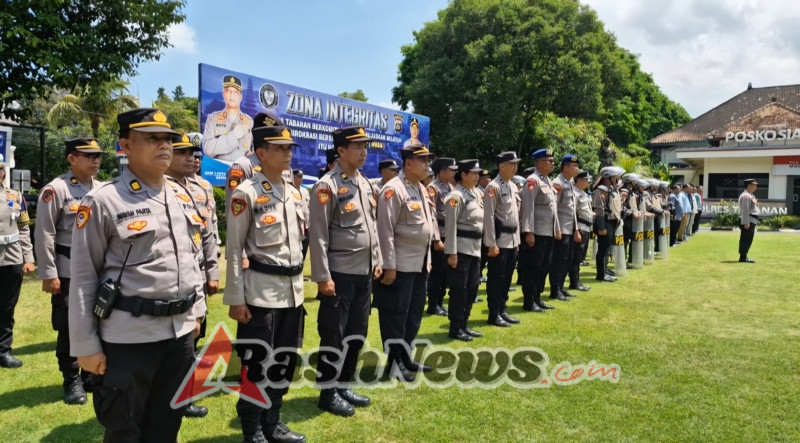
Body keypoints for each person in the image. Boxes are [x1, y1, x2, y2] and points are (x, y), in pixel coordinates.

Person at [69, 108, 206, 441]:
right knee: (125, 429)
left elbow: (192, 257)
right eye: (152, 139)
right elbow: (84, 276)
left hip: (179, 335)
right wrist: (86, 345)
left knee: (166, 425)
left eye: (168, 140)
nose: (164, 146)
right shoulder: (103, 201)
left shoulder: (181, 195)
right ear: (125, 146)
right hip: (129, 338)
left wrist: (197, 311)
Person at [224, 124, 307, 442]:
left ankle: (273, 423)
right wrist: (236, 298)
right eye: (280, 148)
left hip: (292, 294)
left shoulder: (295, 192)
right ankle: (253, 428)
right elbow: (233, 249)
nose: (288, 152)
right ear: (261, 153)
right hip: (259, 293)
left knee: (284, 362)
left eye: (290, 148)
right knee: (256, 364)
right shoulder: (246, 194)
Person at [309, 126, 382, 417]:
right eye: (358, 146)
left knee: (356, 333)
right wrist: (323, 276)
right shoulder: (326, 186)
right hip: (338, 274)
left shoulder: (363, 183)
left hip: (363, 273)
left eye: (366, 146)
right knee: (333, 335)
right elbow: (318, 235)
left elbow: (371, 226)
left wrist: (376, 258)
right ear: (341, 151)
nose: (364, 151)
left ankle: (343, 385)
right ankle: (328, 393)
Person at [34, 137, 102, 402]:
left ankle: (90, 374)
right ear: (71, 158)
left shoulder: (102, 188)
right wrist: (49, 273)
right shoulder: (56, 190)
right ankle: (71, 379)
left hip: (98, 269)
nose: (96, 160)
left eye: (97, 155)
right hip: (69, 269)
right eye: (89, 155)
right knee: (69, 325)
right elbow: (44, 234)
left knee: (97, 320)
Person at [166, 133, 221, 419]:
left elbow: (209, 232)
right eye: (183, 152)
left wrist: (212, 270)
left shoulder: (201, 187)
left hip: (197, 273)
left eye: (193, 152)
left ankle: (183, 394)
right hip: (170, 278)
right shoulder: (161, 187)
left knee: (194, 333)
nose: (191, 157)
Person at [374, 144, 436, 382]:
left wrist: (427, 261)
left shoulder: (420, 188)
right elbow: (385, 231)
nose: (427, 165)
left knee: (413, 313)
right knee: (395, 315)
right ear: (409, 162)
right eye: (423, 160)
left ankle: (406, 355)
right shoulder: (393, 189)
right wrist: (388, 265)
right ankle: (394, 363)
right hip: (399, 266)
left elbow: (426, 229)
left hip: (419, 264)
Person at [0, 160, 36, 369]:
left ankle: (4, 351)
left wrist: (28, 257)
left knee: (6, 308)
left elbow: (23, 228)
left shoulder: (15, 196)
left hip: (12, 258)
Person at [444, 159, 484, 341]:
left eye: (478, 173)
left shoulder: (475, 194)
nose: (477, 176)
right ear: (463, 174)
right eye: (473, 173)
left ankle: (465, 324)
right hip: (461, 250)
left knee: (472, 289)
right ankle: (455, 327)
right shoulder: (456, 197)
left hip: (475, 249)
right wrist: (452, 253)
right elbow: (450, 227)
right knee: (459, 290)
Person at [483, 152, 521, 327]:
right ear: (501, 166)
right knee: (496, 278)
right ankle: (494, 313)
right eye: (511, 164)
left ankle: (502, 309)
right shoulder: (493, 187)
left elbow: (515, 215)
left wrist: (518, 240)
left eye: (516, 164)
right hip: (499, 241)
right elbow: (488, 217)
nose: (515, 167)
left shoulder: (512, 186)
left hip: (512, 240)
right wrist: (491, 244)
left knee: (507, 278)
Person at [519, 149, 560, 311]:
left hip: (548, 232)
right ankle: (529, 301)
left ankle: (537, 297)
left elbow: (553, 209)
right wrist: (529, 231)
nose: (552, 164)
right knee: (533, 268)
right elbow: (528, 208)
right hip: (536, 233)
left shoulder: (547, 181)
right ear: (540, 163)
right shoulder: (532, 181)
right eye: (549, 161)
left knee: (544, 267)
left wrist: (556, 229)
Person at [425, 158, 457, 316]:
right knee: (437, 272)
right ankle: (433, 304)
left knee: (445, 273)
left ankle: (440, 302)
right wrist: (436, 239)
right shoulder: (433, 188)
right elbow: (432, 216)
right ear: (442, 171)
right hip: (440, 235)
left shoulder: (450, 187)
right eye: (451, 169)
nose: (454, 172)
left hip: (449, 234)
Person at [549, 154, 582, 301]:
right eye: (574, 165)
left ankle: (561, 287)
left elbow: (572, 209)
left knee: (567, 260)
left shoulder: (569, 183)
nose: (577, 168)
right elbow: (554, 208)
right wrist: (557, 229)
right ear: (565, 167)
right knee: (558, 260)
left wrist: (576, 229)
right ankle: (555, 290)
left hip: (569, 229)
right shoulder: (558, 183)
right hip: (561, 230)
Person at [203, 75, 254, 161]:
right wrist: (234, 135)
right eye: (228, 91)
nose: (232, 95)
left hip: (241, 171)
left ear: (240, 96)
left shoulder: (249, 121)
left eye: (235, 92)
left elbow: (253, 150)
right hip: (218, 171)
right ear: (223, 93)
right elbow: (208, 149)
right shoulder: (213, 118)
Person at [592, 166, 625, 282]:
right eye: (615, 176)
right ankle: (601, 274)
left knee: (606, 249)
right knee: (603, 249)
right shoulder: (601, 190)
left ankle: (604, 271)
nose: (617, 179)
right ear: (608, 177)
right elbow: (599, 210)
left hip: (611, 221)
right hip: (604, 221)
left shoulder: (611, 189)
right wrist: (601, 227)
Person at [569, 170, 593, 291]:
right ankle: (574, 282)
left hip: (586, 227)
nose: (588, 181)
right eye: (586, 179)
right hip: (580, 227)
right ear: (580, 180)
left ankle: (576, 280)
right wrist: (576, 230)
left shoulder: (583, 193)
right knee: (576, 256)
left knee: (580, 256)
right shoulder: (575, 193)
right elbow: (573, 213)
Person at [738, 179, 759, 263]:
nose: (755, 186)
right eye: (754, 185)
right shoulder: (746, 196)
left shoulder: (750, 195)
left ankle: (744, 256)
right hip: (748, 220)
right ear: (749, 185)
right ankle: (743, 257)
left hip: (751, 220)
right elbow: (745, 210)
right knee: (746, 239)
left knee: (748, 239)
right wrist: (746, 222)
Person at [292, 169, 311, 261]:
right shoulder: (289, 191)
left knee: (304, 250)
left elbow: (309, 207)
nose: (301, 178)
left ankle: (301, 273)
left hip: (307, 226)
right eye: (299, 176)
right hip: (296, 227)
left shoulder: (305, 191)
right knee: (296, 252)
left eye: (302, 176)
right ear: (293, 177)